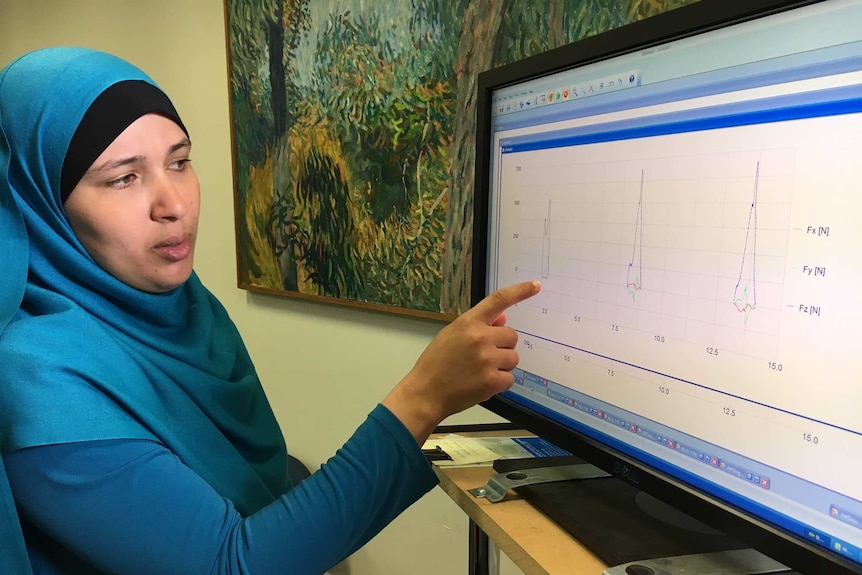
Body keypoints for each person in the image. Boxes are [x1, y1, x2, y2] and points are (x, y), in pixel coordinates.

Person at [0, 46, 540, 575]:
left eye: (180, 162)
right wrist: (424, 396)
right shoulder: (35, 381)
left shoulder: (185, 310)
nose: (175, 205)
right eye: (124, 177)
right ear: (39, 200)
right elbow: (230, 563)